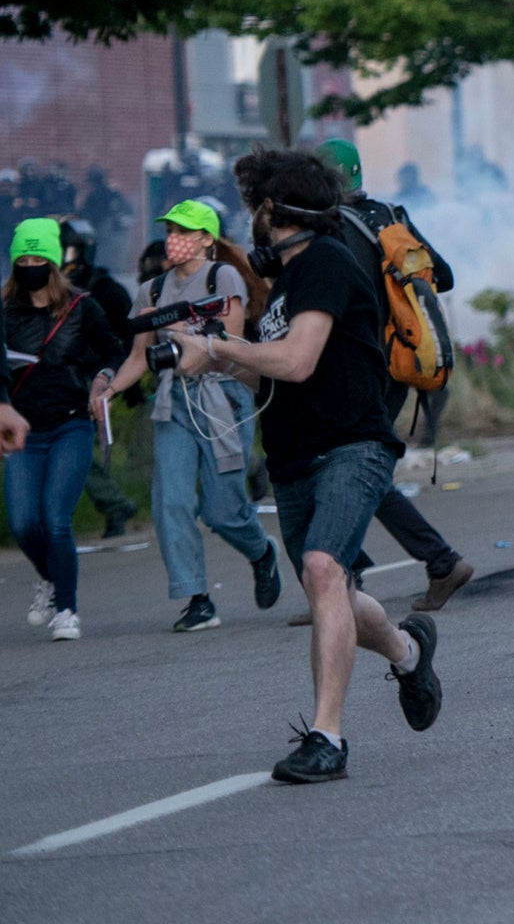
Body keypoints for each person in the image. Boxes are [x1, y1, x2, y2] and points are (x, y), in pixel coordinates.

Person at [172, 149, 442, 783]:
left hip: (350, 446)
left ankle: (327, 738)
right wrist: (211, 358)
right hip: (293, 456)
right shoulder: (287, 283)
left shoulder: (324, 263)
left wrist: (217, 344)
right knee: (337, 593)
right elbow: (269, 368)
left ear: (273, 209)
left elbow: (296, 361)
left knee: (323, 570)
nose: (250, 225)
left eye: (254, 210)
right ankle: (409, 652)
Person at [101, 200, 283, 631]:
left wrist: (182, 330)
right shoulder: (153, 291)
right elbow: (139, 357)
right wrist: (108, 389)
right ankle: (197, 597)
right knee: (171, 500)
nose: (173, 240)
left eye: (184, 232)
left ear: (206, 239)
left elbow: (232, 343)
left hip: (223, 398)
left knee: (222, 510)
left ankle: (261, 552)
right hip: (175, 400)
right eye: (170, 231)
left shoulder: (224, 276)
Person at [317, 139, 474, 615]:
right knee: (357, 465)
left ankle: (436, 561)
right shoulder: (391, 215)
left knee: (353, 466)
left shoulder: (330, 231)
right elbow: (441, 276)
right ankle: (350, 574)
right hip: (401, 363)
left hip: (359, 368)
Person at [8, 216, 122, 640]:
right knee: (23, 523)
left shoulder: (81, 307)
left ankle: (67, 609)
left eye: (39, 257)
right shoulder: (6, 312)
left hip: (70, 425)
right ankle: (50, 579)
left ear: (54, 262)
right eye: (24, 257)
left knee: (55, 519)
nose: (31, 264)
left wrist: (103, 377)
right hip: (22, 430)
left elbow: (113, 347)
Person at [58, 219, 141, 540]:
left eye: (69, 250)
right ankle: (113, 504)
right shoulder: (49, 292)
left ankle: (115, 504)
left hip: (96, 381)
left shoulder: (106, 290)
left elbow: (127, 341)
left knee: (74, 448)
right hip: (58, 380)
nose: (64, 258)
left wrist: (126, 383)